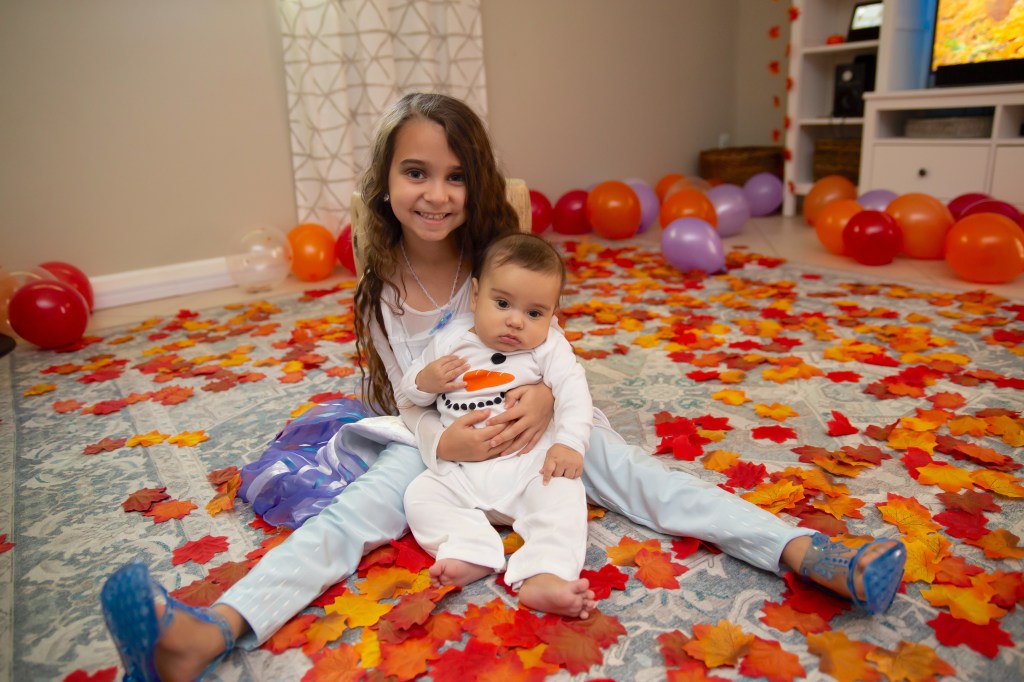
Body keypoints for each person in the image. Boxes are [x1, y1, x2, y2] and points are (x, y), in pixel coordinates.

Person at [99, 92, 906, 682]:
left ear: (475, 184)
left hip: (533, 433)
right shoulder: (380, 285)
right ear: (386, 183)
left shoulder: (497, 260)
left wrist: (554, 407)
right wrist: (435, 442)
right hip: (439, 451)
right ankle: (206, 635)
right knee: (356, 517)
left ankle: (805, 552)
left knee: (639, 477)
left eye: (454, 176)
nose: (436, 194)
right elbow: (406, 400)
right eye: (416, 173)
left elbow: (551, 344)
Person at [401, 233, 595, 618]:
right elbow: (409, 395)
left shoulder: (549, 347)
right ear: (475, 297)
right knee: (419, 497)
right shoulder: (451, 340)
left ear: (553, 315)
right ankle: (470, 549)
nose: (515, 321)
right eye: (502, 303)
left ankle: (546, 572)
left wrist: (570, 442)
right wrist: (426, 381)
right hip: (460, 470)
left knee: (564, 497)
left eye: (535, 313)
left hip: (528, 467)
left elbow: (575, 389)